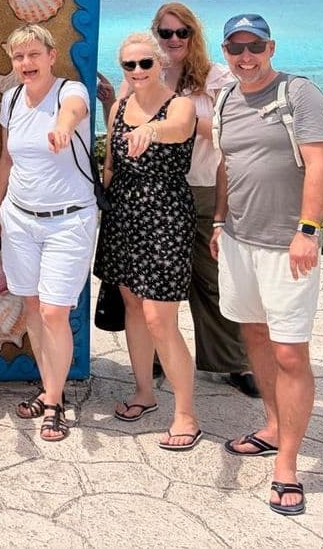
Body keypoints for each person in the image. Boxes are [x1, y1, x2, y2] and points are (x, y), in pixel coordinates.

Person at [98, 3, 255, 397]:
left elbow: (226, 133)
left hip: (198, 186)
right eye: (165, 34)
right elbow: (120, 136)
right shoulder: (140, 72)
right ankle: (152, 362)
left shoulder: (215, 80)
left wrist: (168, 123)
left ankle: (230, 361)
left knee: (209, 279)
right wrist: (113, 107)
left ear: (193, 36)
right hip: (141, 197)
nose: (173, 41)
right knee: (146, 293)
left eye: (180, 33)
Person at [211, 14, 323, 518]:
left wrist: (308, 230)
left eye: (254, 46)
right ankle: (272, 425)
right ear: (225, 50)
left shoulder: (299, 94)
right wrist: (219, 221)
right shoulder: (226, 98)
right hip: (239, 239)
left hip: (288, 245)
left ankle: (287, 465)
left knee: (289, 352)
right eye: (236, 47)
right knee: (256, 337)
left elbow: (319, 161)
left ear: (271, 47)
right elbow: (227, 164)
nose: (246, 56)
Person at [0, 24, 97, 443]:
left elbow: (72, 111)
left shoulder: (71, 92)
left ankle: (53, 401)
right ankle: (50, 388)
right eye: (18, 57)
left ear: (51, 55)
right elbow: (7, 162)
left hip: (68, 220)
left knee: (54, 312)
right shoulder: (11, 100)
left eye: (34, 55)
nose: (26, 64)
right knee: (32, 307)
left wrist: (63, 128)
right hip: (20, 218)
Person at [93, 33, 203, 450]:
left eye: (144, 63)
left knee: (161, 318)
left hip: (165, 215)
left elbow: (176, 131)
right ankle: (144, 392)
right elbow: (110, 160)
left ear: (159, 63)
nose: (137, 71)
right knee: (134, 307)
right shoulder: (119, 107)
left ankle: (186, 413)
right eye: (129, 65)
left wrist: (150, 131)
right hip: (123, 213)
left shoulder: (180, 106)